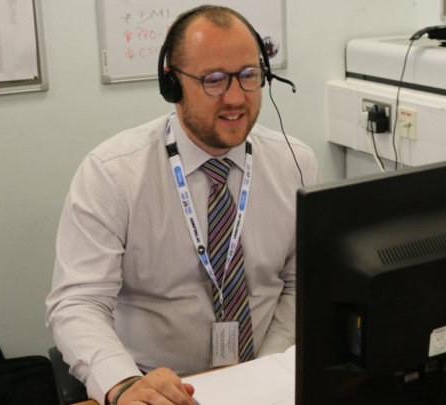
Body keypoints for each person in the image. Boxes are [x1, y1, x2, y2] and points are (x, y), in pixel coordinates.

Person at [45, 5, 319, 405]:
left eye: (248, 75)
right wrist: (123, 384)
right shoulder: (112, 173)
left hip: (266, 376)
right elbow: (77, 302)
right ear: (171, 84)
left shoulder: (296, 163)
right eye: (213, 80)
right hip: (155, 386)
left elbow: (300, 284)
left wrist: (268, 367)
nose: (235, 98)